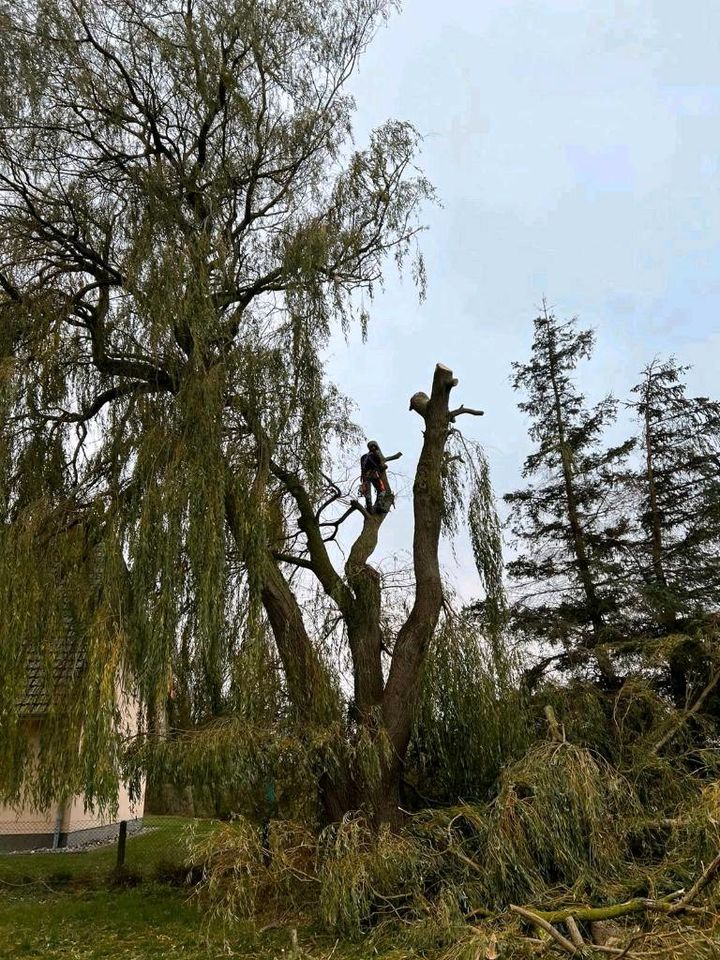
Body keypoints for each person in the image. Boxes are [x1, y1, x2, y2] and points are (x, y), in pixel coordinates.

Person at [359, 441, 387, 513]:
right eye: (373, 447)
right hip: (372, 474)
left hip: (365, 476)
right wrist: (384, 467)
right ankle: (378, 505)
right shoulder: (375, 456)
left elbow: (362, 468)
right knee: (382, 490)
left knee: (368, 492)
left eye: (374, 446)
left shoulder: (364, 457)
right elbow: (379, 467)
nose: (373, 448)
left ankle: (370, 507)